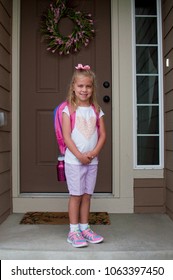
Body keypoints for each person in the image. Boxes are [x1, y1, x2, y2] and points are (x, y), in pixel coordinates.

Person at [62, 63, 106, 248]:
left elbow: (103, 134)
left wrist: (94, 152)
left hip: (92, 161)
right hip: (74, 161)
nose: (84, 89)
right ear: (73, 86)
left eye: (88, 86)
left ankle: (85, 228)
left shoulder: (96, 110)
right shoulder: (68, 110)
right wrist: (79, 155)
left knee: (87, 195)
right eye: (80, 86)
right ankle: (73, 232)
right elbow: (66, 136)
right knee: (76, 195)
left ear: (92, 88)